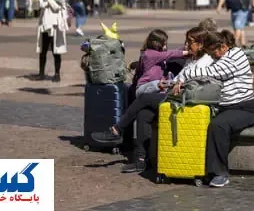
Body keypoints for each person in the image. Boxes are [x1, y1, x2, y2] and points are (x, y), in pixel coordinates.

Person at [92, 21, 217, 173]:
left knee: (144, 98)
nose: (187, 45)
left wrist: (178, 83)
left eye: (190, 42)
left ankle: (116, 130)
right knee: (143, 114)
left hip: (185, 101)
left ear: (201, 44)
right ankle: (140, 160)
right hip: (175, 96)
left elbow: (196, 82)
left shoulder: (205, 62)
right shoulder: (192, 59)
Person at [173, 30, 254, 187]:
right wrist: (181, 79)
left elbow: (210, 72)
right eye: (210, 53)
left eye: (213, 52)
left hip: (243, 108)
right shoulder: (219, 58)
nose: (213, 56)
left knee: (218, 125)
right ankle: (194, 167)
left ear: (223, 47)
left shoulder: (236, 56)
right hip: (223, 108)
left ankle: (220, 173)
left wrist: (184, 77)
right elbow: (199, 70)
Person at [132, 29, 189, 97]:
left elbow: (175, 51)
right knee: (158, 83)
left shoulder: (159, 55)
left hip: (155, 88)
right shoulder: (149, 54)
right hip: (144, 88)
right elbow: (171, 54)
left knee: (170, 84)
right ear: (155, 43)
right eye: (163, 44)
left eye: (166, 44)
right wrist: (188, 52)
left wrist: (187, 47)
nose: (165, 47)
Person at [34, 0, 68, 82]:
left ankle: (57, 74)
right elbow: (37, 6)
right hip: (45, 27)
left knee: (56, 52)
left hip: (55, 28)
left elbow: (55, 7)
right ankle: (41, 73)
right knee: (42, 51)